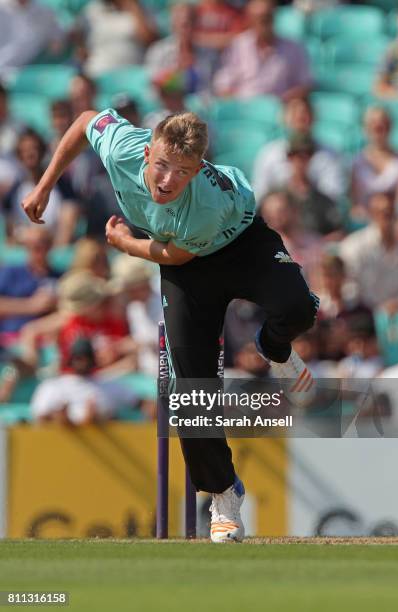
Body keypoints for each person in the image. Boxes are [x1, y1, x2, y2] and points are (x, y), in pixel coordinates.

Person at [21, 106, 319, 543]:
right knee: (190, 393)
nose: (166, 181)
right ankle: (222, 494)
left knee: (299, 309)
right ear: (145, 152)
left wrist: (126, 243)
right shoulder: (122, 147)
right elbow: (86, 120)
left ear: (197, 170)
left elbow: (177, 254)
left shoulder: (204, 204)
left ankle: (274, 348)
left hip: (236, 245)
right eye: (161, 165)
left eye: (181, 172)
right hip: (188, 270)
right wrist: (44, 186)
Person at [213, 0, 312, 100]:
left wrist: (283, 102)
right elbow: (223, 84)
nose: (263, 23)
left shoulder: (293, 48)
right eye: (259, 18)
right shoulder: (238, 45)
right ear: (249, 20)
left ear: (274, 17)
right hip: (244, 108)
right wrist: (239, 106)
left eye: (267, 17)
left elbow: (305, 84)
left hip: (279, 108)